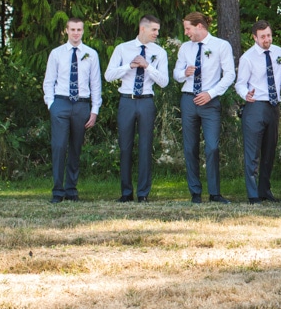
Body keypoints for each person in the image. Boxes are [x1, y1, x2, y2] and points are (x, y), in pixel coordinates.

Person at [104, 15, 169, 203]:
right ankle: (126, 193)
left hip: (147, 101)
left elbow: (164, 82)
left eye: (158, 30)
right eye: (154, 30)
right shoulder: (122, 49)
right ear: (143, 29)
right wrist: (129, 65)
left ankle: (143, 193)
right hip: (126, 100)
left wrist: (147, 66)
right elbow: (108, 75)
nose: (157, 33)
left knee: (145, 146)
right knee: (125, 147)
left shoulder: (160, 52)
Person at [173, 12, 235, 204]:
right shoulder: (185, 48)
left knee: (212, 147)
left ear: (199, 26)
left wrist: (211, 93)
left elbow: (229, 75)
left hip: (210, 100)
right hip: (188, 100)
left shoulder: (221, 46)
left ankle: (215, 193)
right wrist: (184, 73)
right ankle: (195, 192)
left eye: (188, 28)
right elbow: (176, 74)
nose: (186, 32)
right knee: (190, 147)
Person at [42, 18, 102, 203]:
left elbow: (96, 84)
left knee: (76, 148)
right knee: (59, 147)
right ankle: (57, 191)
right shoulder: (56, 53)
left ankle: (71, 189)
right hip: (61, 103)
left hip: (81, 105)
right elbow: (49, 81)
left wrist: (94, 110)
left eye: (79, 29)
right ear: (66, 31)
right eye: (73, 29)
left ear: (84, 31)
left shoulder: (91, 54)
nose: (76, 33)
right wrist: (51, 104)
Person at [236, 20, 281, 204]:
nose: (267, 39)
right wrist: (246, 94)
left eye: (268, 35)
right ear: (254, 38)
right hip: (255, 106)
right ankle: (252, 195)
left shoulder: (279, 52)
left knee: (269, 151)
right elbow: (240, 84)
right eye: (262, 37)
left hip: (273, 106)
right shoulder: (247, 58)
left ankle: (264, 190)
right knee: (252, 153)